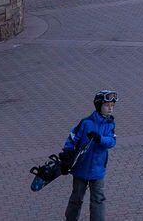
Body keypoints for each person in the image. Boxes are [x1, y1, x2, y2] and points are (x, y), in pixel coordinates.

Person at [60, 91, 117, 221]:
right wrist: (67, 153)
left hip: (97, 170)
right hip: (81, 168)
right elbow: (73, 138)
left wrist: (100, 139)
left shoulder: (110, 124)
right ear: (98, 106)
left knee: (98, 199)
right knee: (76, 198)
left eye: (112, 106)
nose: (110, 108)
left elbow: (112, 141)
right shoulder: (86, 123)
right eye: (107, 105)